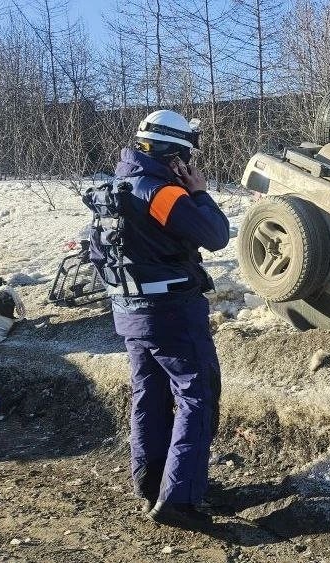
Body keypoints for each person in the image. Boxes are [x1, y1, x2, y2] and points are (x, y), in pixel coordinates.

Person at [86, 110, 229, 529]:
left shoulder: (114, 188)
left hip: (128, 313)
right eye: (188, 157)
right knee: (195, 396)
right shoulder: (162, 193)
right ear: (177, 155)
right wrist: (199, 193)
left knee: (147, 394)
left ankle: (151, 483)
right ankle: (179, 499)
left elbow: (99, 255)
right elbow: (216, 234)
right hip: (172, 313)